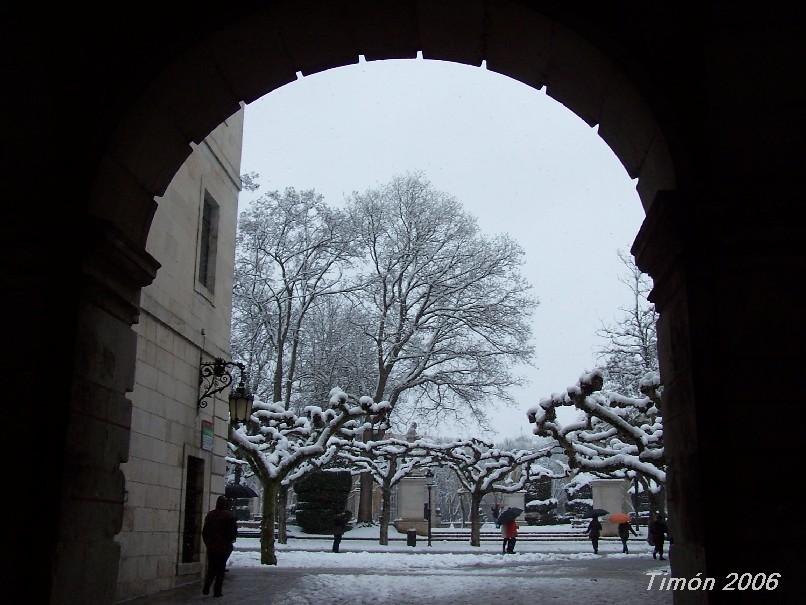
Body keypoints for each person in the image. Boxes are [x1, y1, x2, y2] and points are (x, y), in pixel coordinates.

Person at [202, 495, 237, 597]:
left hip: (212, 546)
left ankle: (207, 586)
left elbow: (205, 531)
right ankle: (217, 590)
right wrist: (229, 541)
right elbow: (233, 532)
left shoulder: (210, 515)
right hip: (224, 546)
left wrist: (208, 543)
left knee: (211, 567)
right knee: (221, 568)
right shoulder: (229, 516)